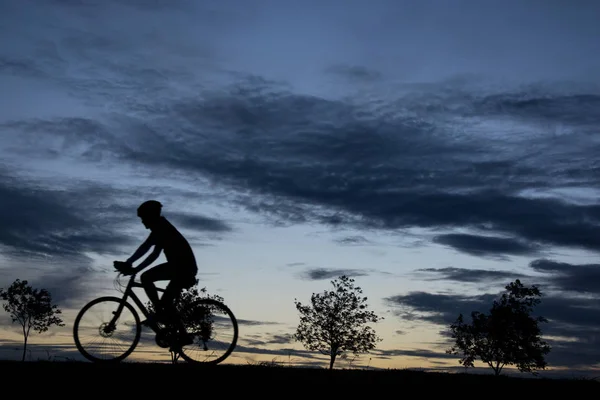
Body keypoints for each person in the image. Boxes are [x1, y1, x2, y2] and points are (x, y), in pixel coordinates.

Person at [113, 200, 198, 347]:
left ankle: (159, 314)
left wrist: (131, 265)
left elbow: (147, 248)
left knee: (147, 278)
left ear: (150, 216)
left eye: (143, 218)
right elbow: (152, 253)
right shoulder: (161, 228)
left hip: (183, 268)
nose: (142, 222)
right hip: (181, 267)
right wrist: (132, 265)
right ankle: (182, 334)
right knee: (167, 303)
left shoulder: (162, 227)